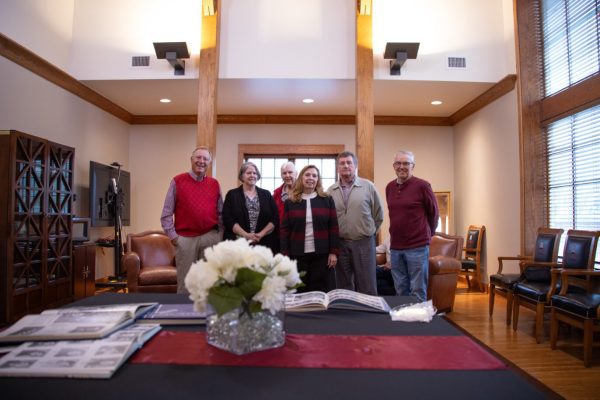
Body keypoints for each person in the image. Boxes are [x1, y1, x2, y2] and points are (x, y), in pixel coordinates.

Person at [160, 146, 223, 294]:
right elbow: (166, 212)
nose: (201, 161)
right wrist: (174, 237)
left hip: (210, 237)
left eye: (205, 159)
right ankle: (184, 315)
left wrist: (219, 235)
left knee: (209, 283)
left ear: (209, 163)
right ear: (191, 160)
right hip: (185, 240)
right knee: (186, 284)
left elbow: (221, 212)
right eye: (198, 158)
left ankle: (208, 315)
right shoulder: (177, 181)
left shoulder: (214, 184)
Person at [327, 151, 384, 295]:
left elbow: (378, 215)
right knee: (343, 284)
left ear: (355, 166)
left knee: (367, 284)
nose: (346, 166)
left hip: (364, 242)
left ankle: (369, 315)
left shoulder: (368, 187)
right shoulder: (330, 191)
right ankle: (348, 314)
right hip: (340, 244)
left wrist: (368, 233)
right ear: (337, 168)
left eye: (349, 163)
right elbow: (328, 219)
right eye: (342, 163)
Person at [386, 150, 438, 302]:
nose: (402, 166)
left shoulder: (423, 186)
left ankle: (419, 323)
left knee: (417, 289)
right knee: (400, 288)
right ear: (394, 166)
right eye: (398, 163)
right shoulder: (389, 187)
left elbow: (433, 214)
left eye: (406, 163)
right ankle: (404, 323)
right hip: (395, 247)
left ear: (413, 166)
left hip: (417, 247)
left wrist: (428, 235)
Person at [280, 165, 339, 292]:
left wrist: (333, 252)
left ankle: (318, 312)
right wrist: (284, 254)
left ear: (318, 180)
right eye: (307, 175)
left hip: (321, 254)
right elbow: (285, 230)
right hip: (297, 253)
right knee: (300, 288)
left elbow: (333, 227)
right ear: (301, 178)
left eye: (314, 175)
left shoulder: (327, 199)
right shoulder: (291, 202)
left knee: (319, 289)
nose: (310, 178)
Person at [222, 162, 279, 254]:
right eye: (248, 173)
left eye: (254, 173)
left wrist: (261, 234)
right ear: (242, 176)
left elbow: (275, 217)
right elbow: (227, 218)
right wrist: (245, 235)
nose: (252, 175)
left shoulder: (266, 194)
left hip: (264, 243)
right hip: (238, 243)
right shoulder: (232, 195)